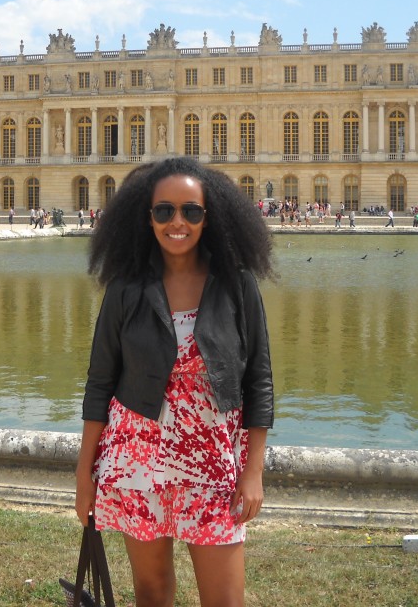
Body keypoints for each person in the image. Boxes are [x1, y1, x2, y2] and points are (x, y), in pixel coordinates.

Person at [76, 157, 275, 607]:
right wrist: (83, 473)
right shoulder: (125, 288)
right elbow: (100, 383)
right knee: (151, 595)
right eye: (164, 211)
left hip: (213, 462)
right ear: (147, 218)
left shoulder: (237, 284)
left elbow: (259, 381)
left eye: (191, 211)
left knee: (225, 601)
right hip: (136, 461)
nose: (177, 222)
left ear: (210, 217)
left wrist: (253, 471)